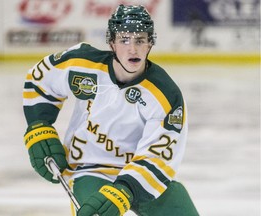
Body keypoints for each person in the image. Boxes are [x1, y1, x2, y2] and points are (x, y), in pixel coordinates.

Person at [23, 4, 199, 216]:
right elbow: (40, 79)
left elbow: (160, 156)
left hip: (139, 174)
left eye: (140, 40)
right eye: (124, 40)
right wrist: (39, 126)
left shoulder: (165, 94)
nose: (132, 49)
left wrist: (126, 191)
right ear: (112, 42)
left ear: (150, 43)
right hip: (88, 168)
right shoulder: (82, 63)